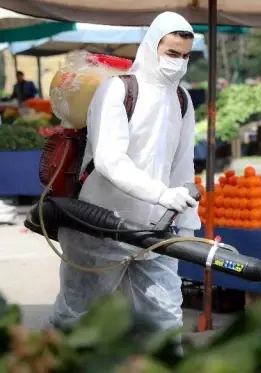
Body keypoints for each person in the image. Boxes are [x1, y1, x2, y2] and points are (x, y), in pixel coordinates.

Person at [49, 12, 200, 333]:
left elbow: (183, 165)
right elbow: (109, 160)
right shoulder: (117, 90)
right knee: (78, 317)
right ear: (151, 47)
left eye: (185, 56)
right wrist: (161, 194)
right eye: (171, 54)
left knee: (164, 322)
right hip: (100, 227)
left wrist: (188, 224)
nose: (179, 63)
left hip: (156, 232)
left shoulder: (181, 99)